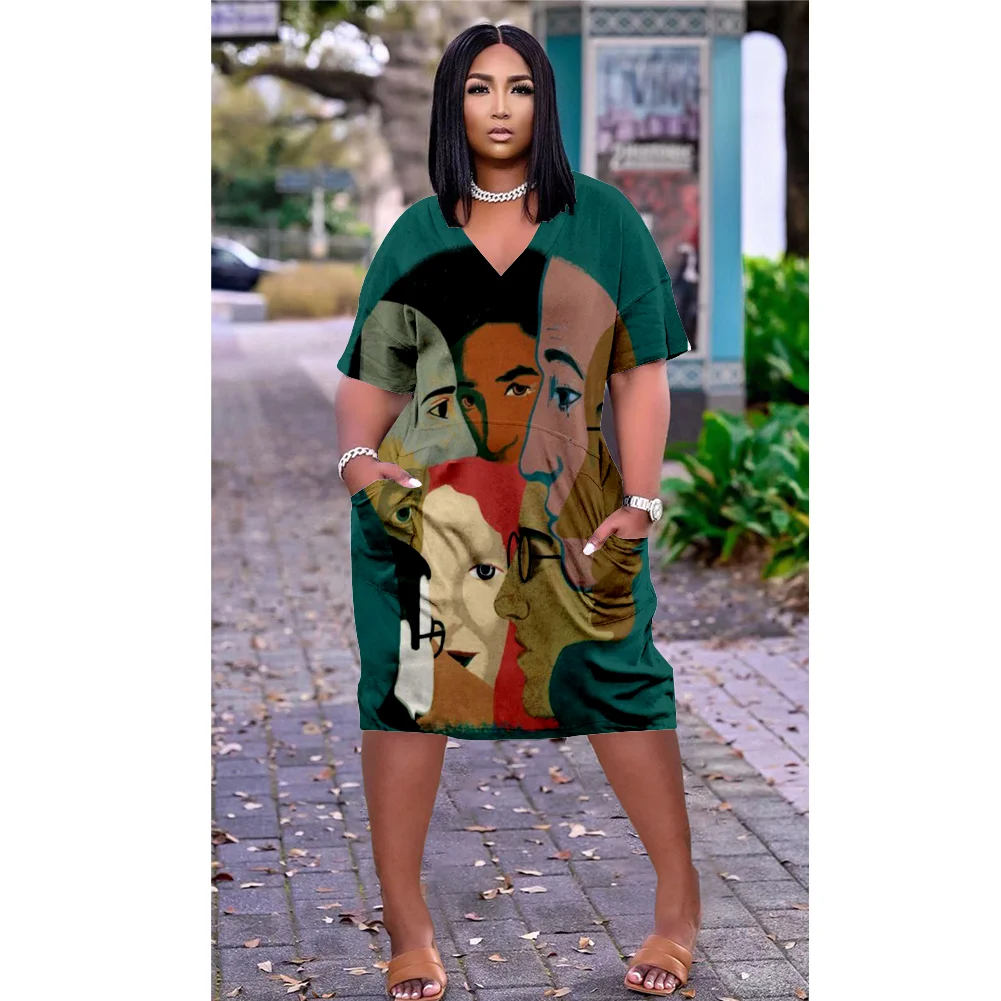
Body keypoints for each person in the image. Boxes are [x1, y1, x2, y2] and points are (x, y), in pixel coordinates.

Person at [333, 22, 700, 1000]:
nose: (499, 107)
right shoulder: (415, 233)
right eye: (479, 88)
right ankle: (407, 928)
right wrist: (360, 466)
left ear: (544, 103)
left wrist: (641, 499)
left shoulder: (604, 220)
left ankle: (677, 909)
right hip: (429, 521)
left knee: (620, 681)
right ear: (450, 105)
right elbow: (369, 382)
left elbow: (641, 375)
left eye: (519, 87)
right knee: (408, 695)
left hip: (575, 517)